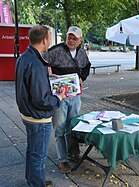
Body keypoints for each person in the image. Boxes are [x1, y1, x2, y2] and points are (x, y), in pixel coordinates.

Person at [15, 25, 66, 187]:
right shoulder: (36, 63)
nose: (50, 42)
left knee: (32, 152)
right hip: (38, 117)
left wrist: (48, 76)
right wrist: (59, 97)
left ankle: (33, 180)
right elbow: (41, 100)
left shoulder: (25, 57)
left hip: (27, 114)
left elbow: (30, 83)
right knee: (38, 156)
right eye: (49, 38)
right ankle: (37, 184)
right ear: (44, 40)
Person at [44, 26, 91, 173]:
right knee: (59, 129)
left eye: (74, 38)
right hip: (59, 97)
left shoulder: (82, 53)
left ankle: (74, 153)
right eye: (69, 37)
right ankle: (62, 160)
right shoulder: (56, 50)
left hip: (75, 97)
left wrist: (82, 78)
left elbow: (87, 67)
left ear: (80, 40)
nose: (71, 40)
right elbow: (42, 63)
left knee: (73, 127)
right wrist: (50, 77)